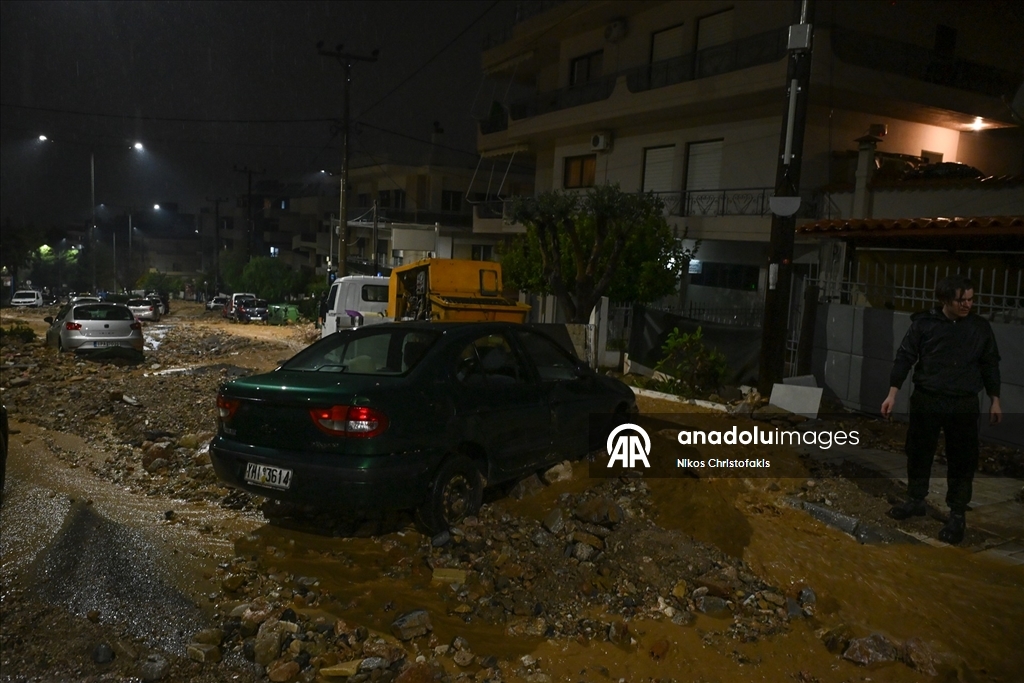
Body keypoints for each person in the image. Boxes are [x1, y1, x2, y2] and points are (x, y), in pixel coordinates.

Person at [881, 274, 1001, 545]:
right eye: (961, 300)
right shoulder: (925, 323)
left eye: (970, 299)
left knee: (962, 458)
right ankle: (915, 499)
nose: (967, 305)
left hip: (963, 402)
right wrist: (892, 394)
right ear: (945, 299)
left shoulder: (979, 328)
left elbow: (990, 364)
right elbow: (905, 357)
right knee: (919, 450)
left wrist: (995, 398)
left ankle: (957, 513)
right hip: (928, 398)